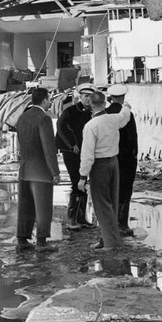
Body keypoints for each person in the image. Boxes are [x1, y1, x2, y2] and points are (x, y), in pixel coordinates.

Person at [78, 91, 131, 251]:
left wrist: (82, 176)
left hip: (99, 165)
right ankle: (106, 238)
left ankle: (111, 243)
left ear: (91, 105)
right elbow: (125, 116)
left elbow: (87, 154)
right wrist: (126, 104)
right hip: (113, 163)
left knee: (102, 205)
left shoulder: (91, 126)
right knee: (112, 203)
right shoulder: (113, 119)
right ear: (105, 102)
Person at [16, 87, 60, 252]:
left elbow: (20, 144)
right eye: (49, 100)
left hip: (25, 168)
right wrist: (55, 172)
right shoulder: (44, 119)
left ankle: (22, 239)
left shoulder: (22, 118)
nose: (50, 103)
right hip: (41, 171)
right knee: (43, 207)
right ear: (44, 100)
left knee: (25, 206)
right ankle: (41, 242)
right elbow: (49, 149)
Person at [56, 83, 95, 231]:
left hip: (86, 153)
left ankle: (81, 218)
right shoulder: (70, 111)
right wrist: (72, 144)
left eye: (90, 97)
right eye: (85, 96)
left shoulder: (91, 112)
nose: (88, 99)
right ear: (80, 96)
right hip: (71, 153)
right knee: (77, 182)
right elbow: (61, 127)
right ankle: (71, 219)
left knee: (84, 183)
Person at [106, 83, 138, 235]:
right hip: (125, 159)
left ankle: (110, 223)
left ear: (110, 98)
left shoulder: (104, 114)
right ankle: (122, 225)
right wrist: (133, 155)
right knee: (125, 190)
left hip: (107, 157)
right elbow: (132, 138)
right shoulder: (127, 114)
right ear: (123, 97)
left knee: (110, 189)